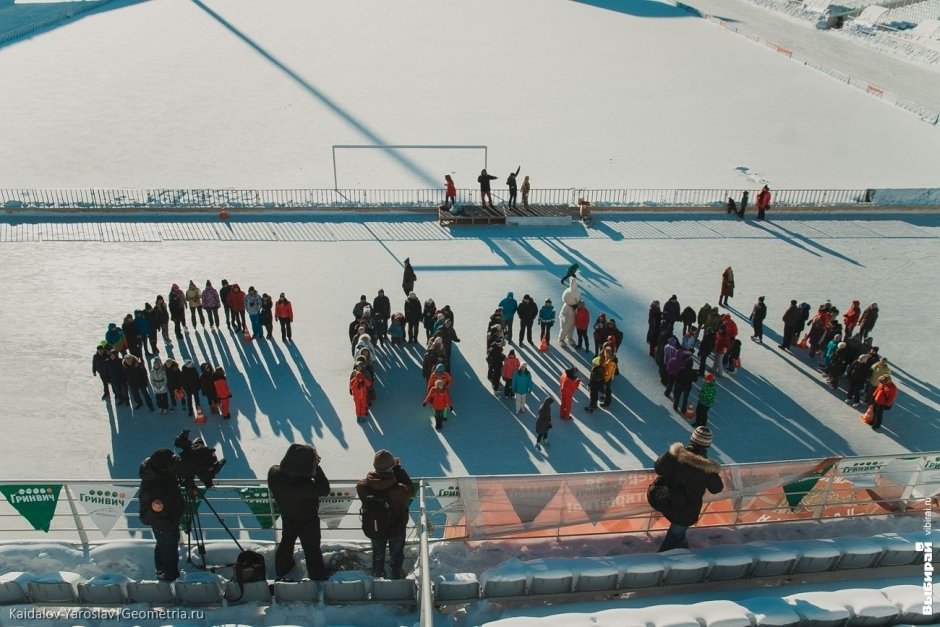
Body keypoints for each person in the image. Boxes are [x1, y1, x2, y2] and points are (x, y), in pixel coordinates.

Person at [648, 426, 723, 552]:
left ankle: (684, 552)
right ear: (708, 445)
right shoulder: (708, 470)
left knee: (678, 535)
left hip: (664, 500)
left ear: (692, 439)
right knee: (674, 536)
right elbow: (717, 489)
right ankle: (660, 562)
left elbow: (658, 468)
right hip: (685, 511)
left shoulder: (674, 455)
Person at [268, 444, 331, 581]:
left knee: (286, 543)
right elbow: (324, 488)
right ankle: (317, 576)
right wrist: (316, 468)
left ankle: (282, 568)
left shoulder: (274, 474)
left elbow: (282, 469)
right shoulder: (306, 486)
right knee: (311, 549)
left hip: (288, 516)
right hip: (308, 521)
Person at [356, 450, 414, 579]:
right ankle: (395, 574)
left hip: (375, 525)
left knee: (377, 552)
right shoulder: (398, 489)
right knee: (397, 553)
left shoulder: (362, 486)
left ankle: (378, 573)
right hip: (396, 527)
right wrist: (398, 469)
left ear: (375, 466)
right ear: (391, 466)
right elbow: (410, 489)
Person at [138, 448, 185, 581]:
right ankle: (169, 580)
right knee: (168, 551)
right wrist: (154, 509)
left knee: (165, 548)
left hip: (171, 521)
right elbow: (144, 518)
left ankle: (162, 572)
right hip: (163, 525)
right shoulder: (149, 486)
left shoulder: (164, 474)